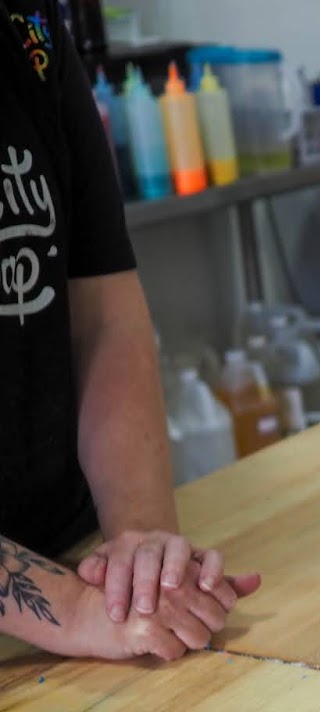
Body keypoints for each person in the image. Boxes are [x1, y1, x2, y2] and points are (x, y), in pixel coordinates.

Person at [0, 1, 255, 660]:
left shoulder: (32, 29)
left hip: (70, 561)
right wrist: (72, 609)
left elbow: (104, 310)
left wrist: (140, 554)